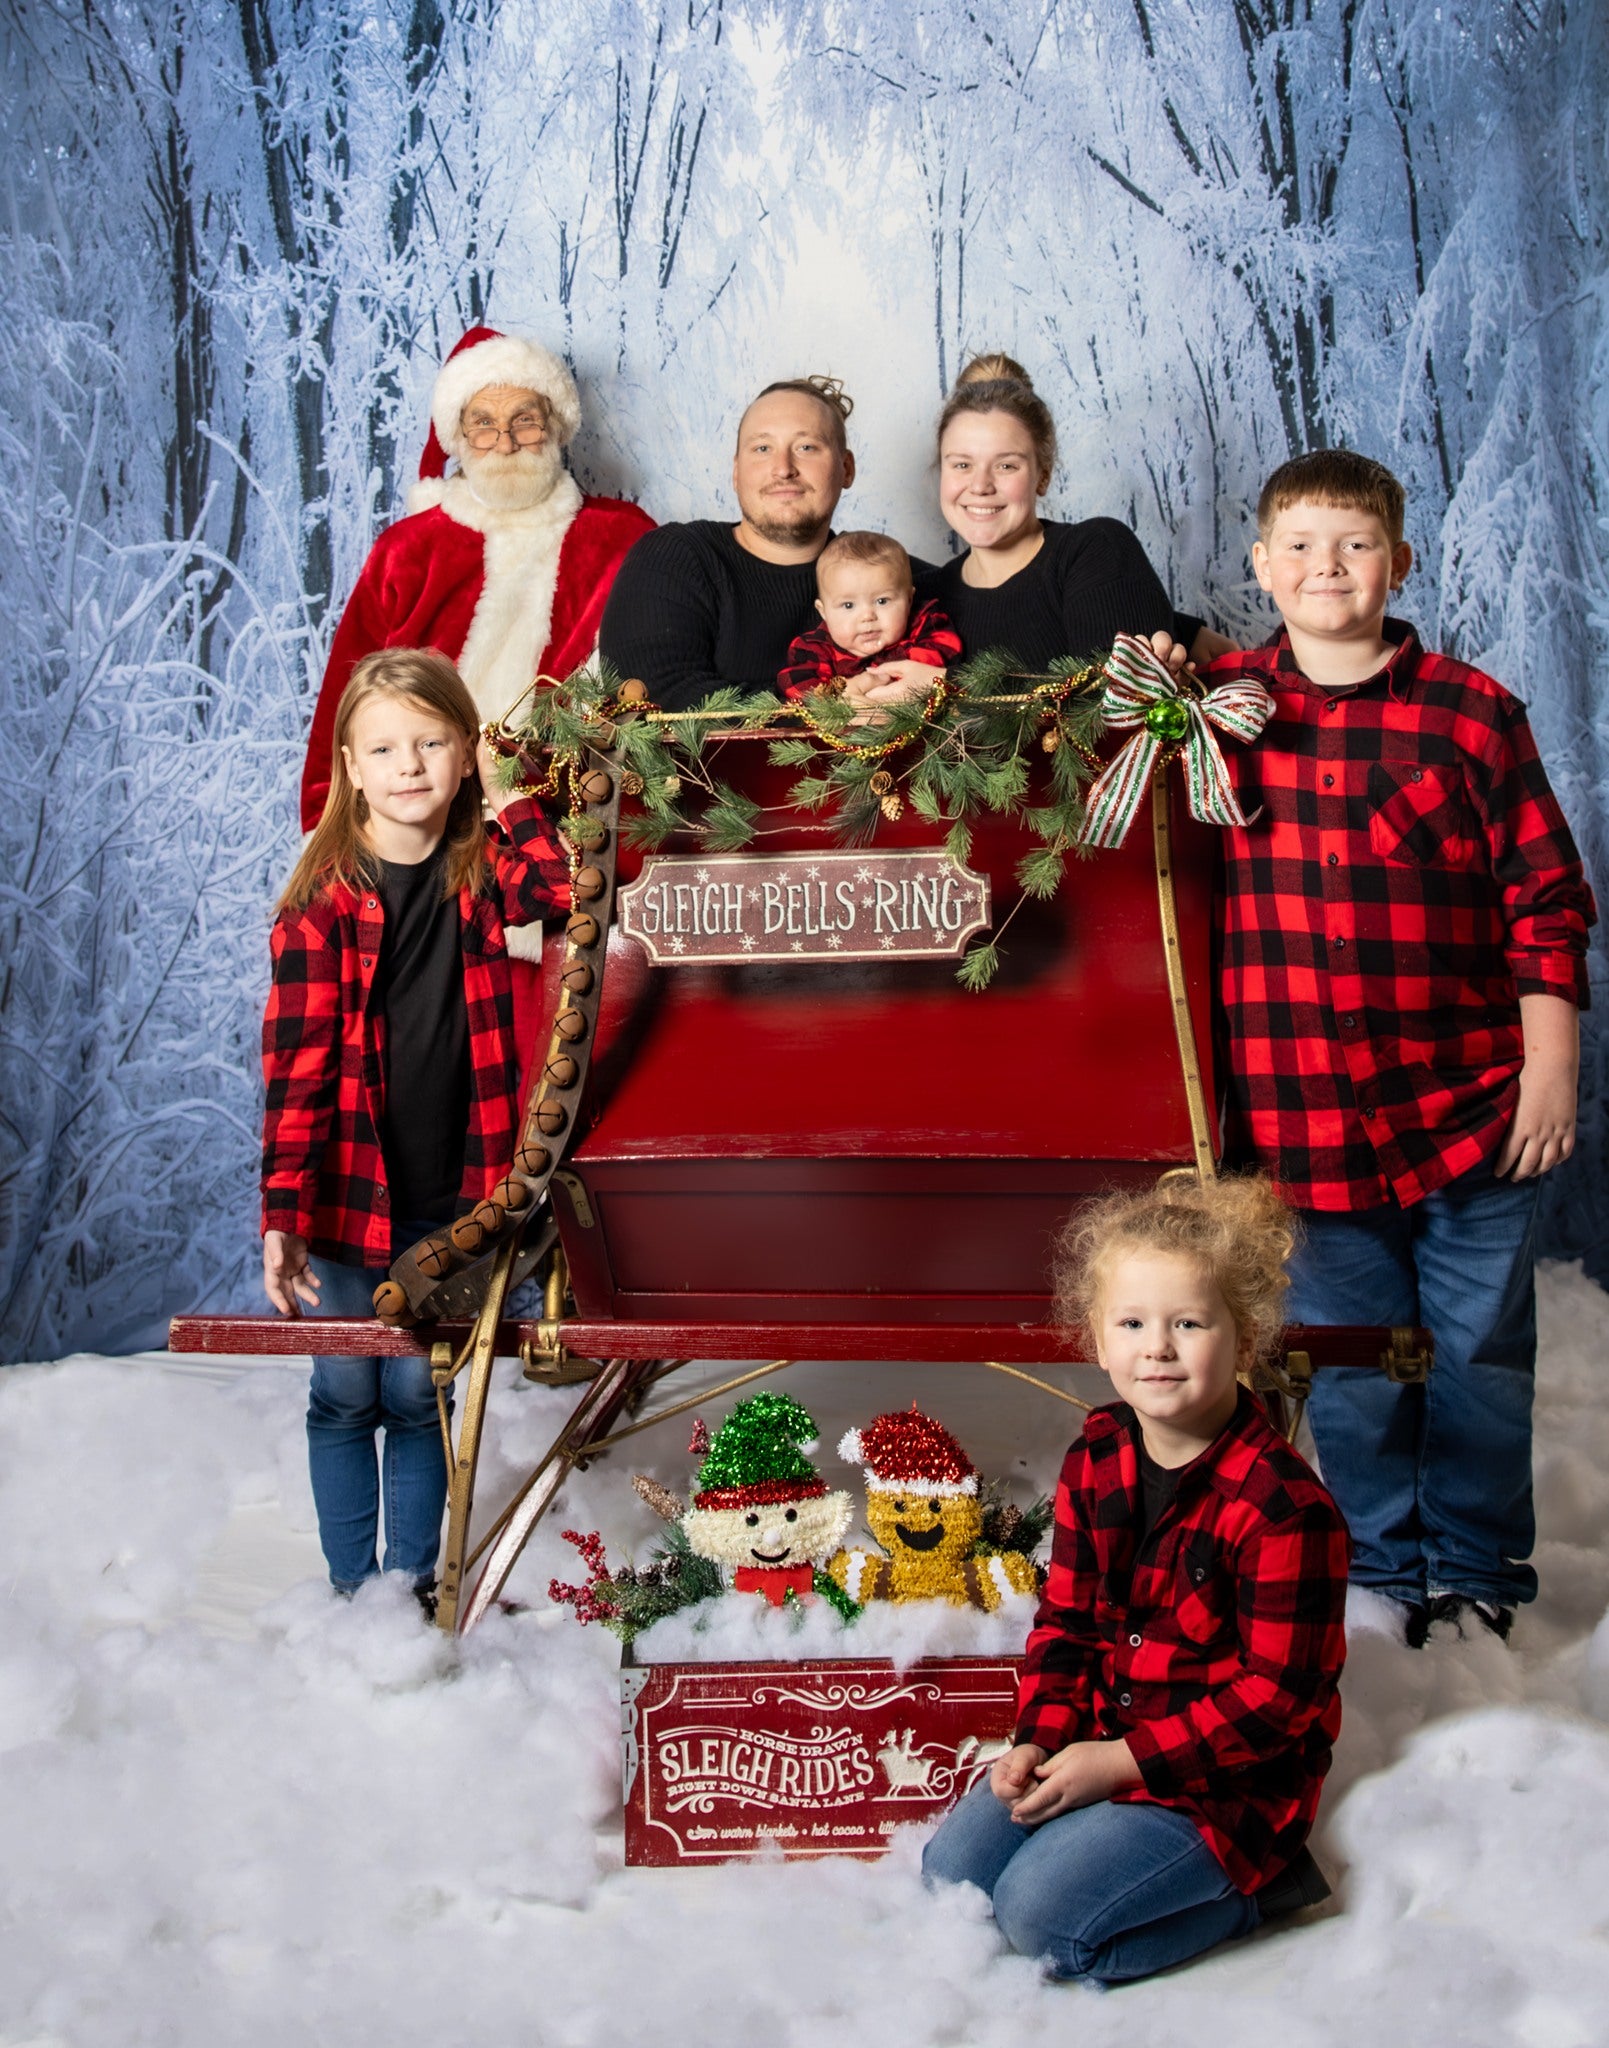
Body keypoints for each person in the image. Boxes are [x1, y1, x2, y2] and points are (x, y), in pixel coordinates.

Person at [1207, 449, 1597, 1647]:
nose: (1329, 567)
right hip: (1303, 1111)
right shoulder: (1212, 720)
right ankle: (1382, 1563)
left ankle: (1477, 1564)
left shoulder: (1472, 714)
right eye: (1303, 546)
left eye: (1356, 544)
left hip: (1475, 1100)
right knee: (1353, 1357)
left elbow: (1544, 898)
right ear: (1262, 566)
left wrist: (1549, 1067)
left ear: (1399, 561)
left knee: (1479, 1348)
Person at [922, 1174, 1348, 1985]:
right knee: (957, 1875)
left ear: (1244, 1337)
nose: (1157, 1347)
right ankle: (1095, 1840)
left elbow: (1277, 1704)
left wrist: (1120, 1767)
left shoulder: (1286, 1509)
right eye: (1132, 1323)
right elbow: (1068, 1624)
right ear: (1096, 1336)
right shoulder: (1096, 1455)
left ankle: (1256, 1893)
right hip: (1098, 1735)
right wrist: (1038, 1739)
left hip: (1226, 1783)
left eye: (1188, 1323)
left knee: (1039, 1920)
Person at [262, 648, 570, 1602]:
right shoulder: (319, 907)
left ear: (463, 752)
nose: (409, 766)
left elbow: (559, 896)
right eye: (385, 748)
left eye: (432, 743)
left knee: (418, 1391)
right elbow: (294, 1072)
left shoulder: (478, 871)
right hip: (350, 1197)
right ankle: (351, 1591)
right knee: (348, 1392)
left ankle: (407, 1587)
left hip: (456, 1190)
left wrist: (505, 790)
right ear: (351, 767)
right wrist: (281, 1212)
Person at [300, 326, 654, 831]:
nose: (505, 443)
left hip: (569, 829)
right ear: (459, 437)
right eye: (483, 423)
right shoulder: (407, 550)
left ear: (555, 427)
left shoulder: (623, 539)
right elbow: (345, 699)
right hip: (420, 836)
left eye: (525, 421)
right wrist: (325, 828)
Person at [853, 353, 1226, 716]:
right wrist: (855, 693)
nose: (980, 485)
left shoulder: (1093, 550)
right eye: (962, 464)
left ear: (1042, 474)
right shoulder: (921, 597)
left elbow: (1111, 708)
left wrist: (947, 687)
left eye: (1006, 465)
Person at [599, 375, 877, 708]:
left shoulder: (883, 575)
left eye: (807, 447)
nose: (783, 469)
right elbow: (655, 699)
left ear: (846, 469)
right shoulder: (673, 558)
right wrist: (833, 704)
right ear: (736, 472)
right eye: (762, 448)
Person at [776, 530, 959, 700]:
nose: (867, 617)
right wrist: (840, 696)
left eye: (882, 601)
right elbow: (794, 684)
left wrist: (889, 675)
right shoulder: (814, 649)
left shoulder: (925, 623)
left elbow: (944, 651)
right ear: (823, 612)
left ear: (909, 599)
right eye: (848, 605)